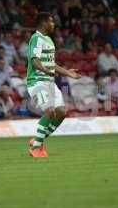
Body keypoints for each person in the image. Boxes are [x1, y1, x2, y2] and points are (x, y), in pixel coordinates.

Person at [26, 12, 81, 158]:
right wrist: (45, 70)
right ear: (43, 23)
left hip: (49, 81)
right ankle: (36, 148)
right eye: (51, 21)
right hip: (37, 81)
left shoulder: (49, 40)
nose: (53, 24)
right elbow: (34, 61)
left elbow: (52, 64)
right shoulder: (36, 38)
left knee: (61, 112)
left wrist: (68, 73)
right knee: (49, 111)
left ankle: (38, 140)